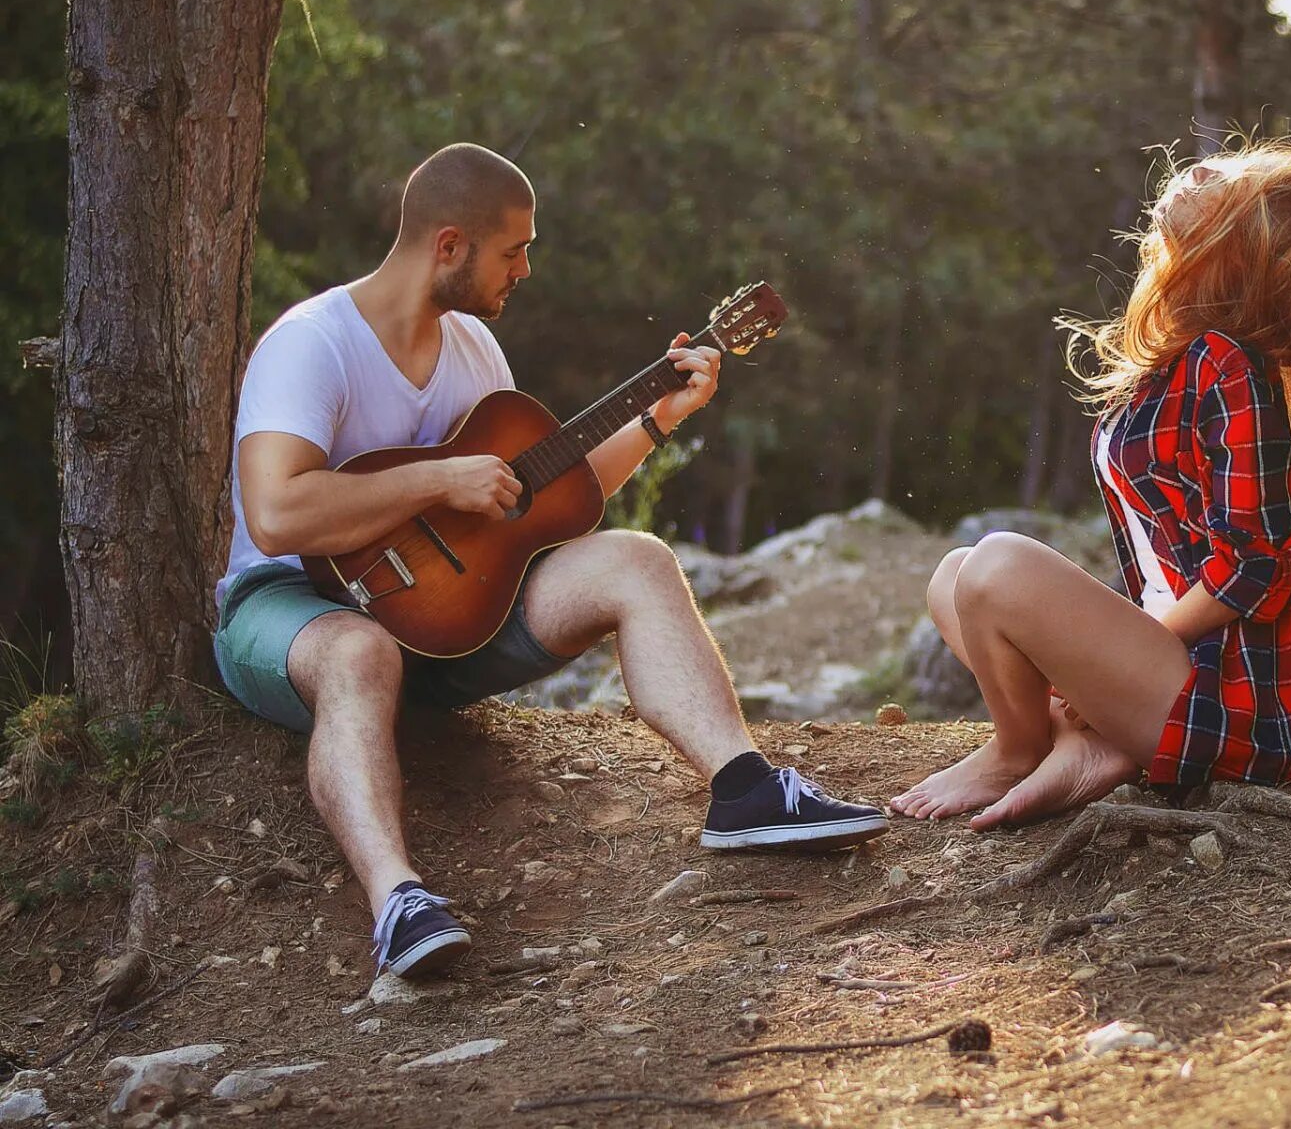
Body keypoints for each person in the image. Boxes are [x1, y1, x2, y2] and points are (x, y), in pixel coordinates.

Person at [213, 143, 886, 979]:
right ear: (450, 245)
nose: (525, 269)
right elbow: (276, 515)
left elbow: (540, 501)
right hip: (293, 611)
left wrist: (660, 419)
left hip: (447, 624)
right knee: (361, 650)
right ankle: (398, 904)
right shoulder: (312, 344)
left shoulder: (474, 354)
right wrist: (440, 478)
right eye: (514, 249)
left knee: (635, 559)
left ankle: (744, 788)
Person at [892, 29, 1291, 830]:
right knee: (955, 576)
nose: (1201, 167)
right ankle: (1092, 746)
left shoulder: (1231, 365)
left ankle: (1019, 750)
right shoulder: (1175, 365)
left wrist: (1134, 641)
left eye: (1226, 185)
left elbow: (1255, 563)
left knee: (998, 568)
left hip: (1243, 711)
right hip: (1172, 678)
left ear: (1240, 257)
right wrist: (1099, 665)